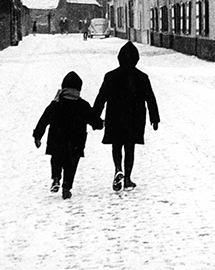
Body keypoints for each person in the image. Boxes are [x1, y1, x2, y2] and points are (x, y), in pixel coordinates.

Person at [93, 41, 159, 191]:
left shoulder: (110, 77)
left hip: (115, 117)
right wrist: (154, 118)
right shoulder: (142, 77)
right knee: (130, 148)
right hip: (134, 119)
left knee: (116, 145)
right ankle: (128, 178)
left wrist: (94, 117)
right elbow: (150, 98)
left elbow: (101, 98)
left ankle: (118, 168)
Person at [33, 71, 104, 200]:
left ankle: (55, 178)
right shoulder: (83, 105)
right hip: (76, 142)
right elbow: (95, 122)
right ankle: (66, 188)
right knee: (71, 164)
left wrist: (38, 135)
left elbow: (44, 119)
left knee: (56, 159)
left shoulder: (56, 104)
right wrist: (101, 123)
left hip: (56, 139)